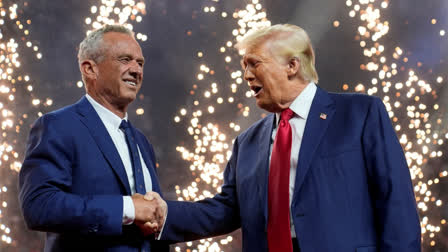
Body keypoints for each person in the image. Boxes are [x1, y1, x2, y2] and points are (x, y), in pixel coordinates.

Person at [155, 24, 421, 251]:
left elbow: (395, 202)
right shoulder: (246, 142)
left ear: (292, 65)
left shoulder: (360, 114)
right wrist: (161, 214)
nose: (246, 75)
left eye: (254, 64)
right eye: (243, 66)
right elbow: (224, 210)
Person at [19, 24, 168, 252]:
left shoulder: (142, 143)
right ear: (90, 69)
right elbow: (39, 205)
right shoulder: (58, 126)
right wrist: (127, 208)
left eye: (140, 63)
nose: (136, 70)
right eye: (125, 59)